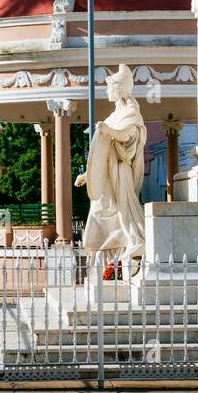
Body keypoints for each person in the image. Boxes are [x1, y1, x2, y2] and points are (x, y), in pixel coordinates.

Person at [75, 63, 146, 275]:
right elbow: (102, 153)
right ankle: (106, 264)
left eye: (109, 87)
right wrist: (88, 175)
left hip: (119, 173)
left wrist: (109, 130)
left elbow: (127, 137)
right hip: (106, 177)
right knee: (98, 215)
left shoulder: (131, 112)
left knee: (123, 214)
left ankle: (133, 245)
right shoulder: (112, 116)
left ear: (118, 89)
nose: (106, 91)